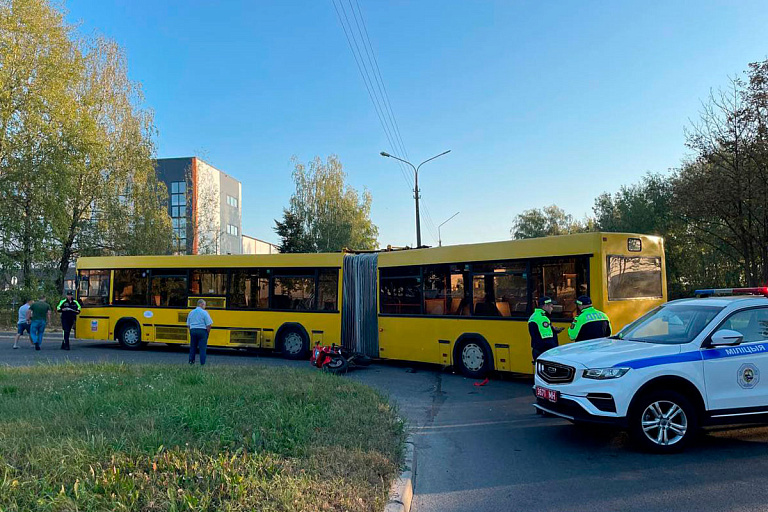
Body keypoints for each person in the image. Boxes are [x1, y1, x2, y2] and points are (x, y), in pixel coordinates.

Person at [529, 296, 563, 362]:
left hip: (538, 350)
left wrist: (553, 330)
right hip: (545, 352)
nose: (552, 308)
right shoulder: (542, 318)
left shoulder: (535, 315)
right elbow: (547, 339)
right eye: (551, 306)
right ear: (545, 306)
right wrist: (557, 353)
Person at [186, 299, 213, 365]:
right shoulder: (204, 312)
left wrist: (191, 331)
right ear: (201, 304)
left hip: (193, 330)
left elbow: (188, 324)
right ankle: (202, 364)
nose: (205, 307)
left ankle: (191, 362)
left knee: (192, 347)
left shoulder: (191, 312)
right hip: (202, 331)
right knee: (202, 348)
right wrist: (207, 333)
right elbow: (209, 324)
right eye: (204, 305)